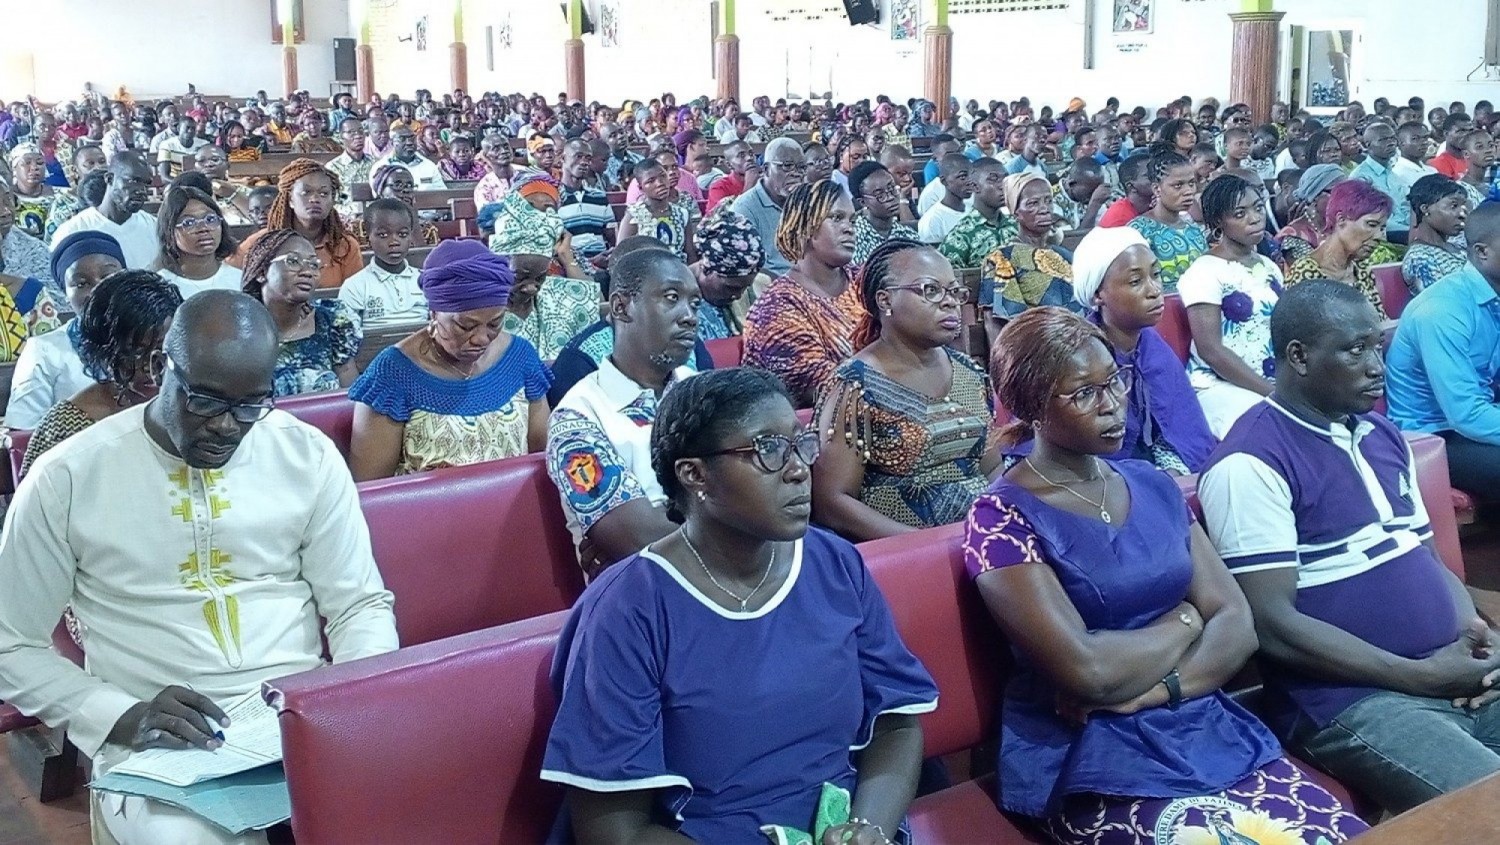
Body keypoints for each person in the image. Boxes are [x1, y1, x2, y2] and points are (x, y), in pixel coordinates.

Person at [0, 289, 398, 845]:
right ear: (164, 367)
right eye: (206, 402)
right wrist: (119, 714)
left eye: (251, 406)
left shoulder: (305, 455)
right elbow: (10, 644)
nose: (228, 427)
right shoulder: (69, 475)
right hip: (156, 740)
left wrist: (356, 701)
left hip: (297, 716)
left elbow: (358, 603)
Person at [972, 304, 1367, 845]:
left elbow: (1237, 623)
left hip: (1201, 722)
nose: (1114, 406)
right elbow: (1086, 674)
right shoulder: (1000, 516)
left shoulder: (1152, 482)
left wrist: (1154, 693)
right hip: (1090, 753)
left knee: (1331, 835)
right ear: (1033, 407)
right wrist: (1185, 621)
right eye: (1084, 393)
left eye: (1114, 382)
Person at [543, 365, 937, 842]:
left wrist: (869, 826)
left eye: (799, 443)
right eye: (768, 449)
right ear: (695, 475)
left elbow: (894, 719)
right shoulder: (628, 610)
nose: (798, 469)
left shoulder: (833, 562)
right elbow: (616, 833)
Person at [1201, 279, 1500, 816]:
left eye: (1376, 346)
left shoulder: (1380, 435)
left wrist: (1477, 643)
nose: (1375, 366)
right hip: (1353, 702)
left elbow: (1427, 559)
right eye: (1354, 349)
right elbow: (1271, 625)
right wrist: (1419, 677)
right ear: (1299, 357)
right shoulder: (1250, 462)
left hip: (1447, 671)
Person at [812, 238, 996, 540]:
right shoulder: (855, 385)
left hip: (982, 543)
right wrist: (927, 546)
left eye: (954, 291)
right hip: (905, 557)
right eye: (931, 290)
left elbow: (992, 469)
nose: (949, 302)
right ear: (885, 301)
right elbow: (833, 503)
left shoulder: (970, 373)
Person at [546, 248, 710, 576]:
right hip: (646, 598)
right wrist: (744, 534)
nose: (689, 316)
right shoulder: (579, 417)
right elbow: (643, 541)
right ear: (621, 307)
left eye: (694, 303)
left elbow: (765, 494)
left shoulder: (704, 391)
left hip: (734, 582)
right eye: (671, 297)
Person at [349, 240, 551, 480]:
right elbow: (370, 490)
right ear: (434, 313)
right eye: (466, 325)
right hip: (424, 513)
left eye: (495, 323)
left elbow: (542, 458)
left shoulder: (520, 358)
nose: (481, 339)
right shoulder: (393, 373)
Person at [1071, 225, 1217, 474]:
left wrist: (1172, 473)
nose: (1154, 290)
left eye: (1156, 275)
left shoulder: (1153, 348)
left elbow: (1181, 430)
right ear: (1098, 294)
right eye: (1136, 281)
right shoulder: (1078, 356)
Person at [20, 270, 182, 475]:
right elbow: (38, 501)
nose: (148, 366)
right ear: (102, 350)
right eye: (133, 351)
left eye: (161, 351)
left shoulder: (195, 409)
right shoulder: (67, 426)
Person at [1387, 202, 1500, 496]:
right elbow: (1465, 413)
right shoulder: (1442, 310)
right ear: (1481, 252)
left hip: (1479, 416)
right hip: (1433, 433)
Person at [1176, 175, 1281, 437]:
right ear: (1219, 222)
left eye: (1258, 208)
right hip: (1218, 384)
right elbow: (1211, 350)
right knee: (1271, 425)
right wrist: (1272, 393)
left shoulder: (1268, 267)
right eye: (1240, 213)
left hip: (1270, 379)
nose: (1255, 218)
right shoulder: (1204, 272)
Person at [744, 180, 861, 408]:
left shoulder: (864, 281)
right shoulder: (776, 307)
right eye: (836, 218)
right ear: (806, 226)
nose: (849, 228)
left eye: (852, 220)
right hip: (812, 431)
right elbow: (821, 386)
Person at [6, 232, 124, 429]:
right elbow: (22, 432)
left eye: (107, 276)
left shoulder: (152, 339)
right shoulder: (44, 350)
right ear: (65, 294)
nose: (98, 289)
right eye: (81, 284)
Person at [240, 228, 361, 396]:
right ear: (262, 272)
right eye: (293, 261)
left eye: (313, 264)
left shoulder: (331, 322)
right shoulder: (238, 330)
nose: (307, 272)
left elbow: (350, 397)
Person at [489, 187, 600, 360]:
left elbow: (598, 302)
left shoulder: (557, 294)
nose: (532, 288)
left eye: (540, 277)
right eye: (520, 277)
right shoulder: (478, 306)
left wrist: (566, 255)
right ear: (497, 266)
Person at [233, 159, 363, 289]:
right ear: (290, 199)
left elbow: (354, 295)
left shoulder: (346, 246)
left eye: (324, 194)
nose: (315, 199)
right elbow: (228, 275)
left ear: (332, 201)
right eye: (306, 193)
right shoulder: (262, 242)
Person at [985, 173, 1078, 327]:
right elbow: (1001, 322)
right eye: (1033, 203)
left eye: (1048, 201)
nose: (1044, 209)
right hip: (1040, 342)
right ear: (1016, 213)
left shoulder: (1063, 255)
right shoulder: (1003, 259)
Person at [1285, 179, 1391, 313]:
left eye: (1382, 228)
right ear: (1341, 220)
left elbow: (1379, 322)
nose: (1379, 237)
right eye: (1371, 225)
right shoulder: (1306, 274)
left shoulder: (1361, 271)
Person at [48, 151, 158, 270]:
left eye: (146, 185)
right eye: (133, 181)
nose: (141, 191)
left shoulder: (153, 226)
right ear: (110, 179)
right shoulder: (74, 230)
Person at [339, 199, 427, 330]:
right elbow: (347, 337)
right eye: (383, 235)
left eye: (402, 234)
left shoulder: (425, 280)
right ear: (368, 236)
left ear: (410, 236)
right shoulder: (355, 286)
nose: (394, 242)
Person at [1127, 150, 1207, 293]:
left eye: (1191, 183)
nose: (1188, 191)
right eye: (1178, 185)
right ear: (1157, 189)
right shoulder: (1139, 230)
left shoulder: (1193, 229)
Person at [689, 206, 767, 339]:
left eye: (744, 288)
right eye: (730, 288)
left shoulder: (757, 290)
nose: (737, 296)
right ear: (706, 267)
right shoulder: (676, 304)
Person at [152, 185, 242, 298]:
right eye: (189, 223)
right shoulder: (159, 288)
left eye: (210, 219)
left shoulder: (240, 280)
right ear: (169, 233)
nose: (204, 228)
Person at [732, 137, 804, 276]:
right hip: (770, 286)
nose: (796, 173)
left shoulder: (805, 201)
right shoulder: (744, 208)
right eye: (787, 166)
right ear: (766, 169)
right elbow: (746, 267)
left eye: (801, 167)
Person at [936, 156, 1013, 268]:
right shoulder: (961, 236)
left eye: (1005, 179)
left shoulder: (1017, 225)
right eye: (993, 179)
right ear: (975, 186)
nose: (1003, 186)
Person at [618, 157, 698, 263]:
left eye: (663, 176)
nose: (660, 183)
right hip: (647, 273)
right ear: (641, 188)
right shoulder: (634, 216)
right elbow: (620, 255)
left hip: (680, 271)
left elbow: (690, 253)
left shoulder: (682, 214)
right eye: (651, 181)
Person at [1402, 175, 1470, 296]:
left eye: (1463, 205)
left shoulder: (1460, 249)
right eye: (1453, 206)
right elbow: (1443, 301)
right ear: (1425, 209)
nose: (1462, 214)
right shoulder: (1419, 257)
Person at [555, 138, 614, 264]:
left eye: (588, 158)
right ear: (563, 158)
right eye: (578, 156)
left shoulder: (599, 197)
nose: (583, 162)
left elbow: (612, 236)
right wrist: (590, 262)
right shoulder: (553, 197)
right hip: (570, 266)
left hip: (603, 262)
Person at [350, 164, 440, 246]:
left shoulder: (426, 228)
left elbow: (427, 259)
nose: (405, 190)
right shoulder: (360, 226)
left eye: (409, 186)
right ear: (381, 191)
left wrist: (415, 223)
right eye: (398, 185)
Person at [1350, 121, 1413, 236]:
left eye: (1393, 138)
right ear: (1367, 145)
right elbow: (1366, 218)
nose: (1391, 143)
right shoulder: (1361, 177)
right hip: (1382, 234)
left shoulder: (1393, 175)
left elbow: (1406, 207)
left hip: (1405, 230)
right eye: (1383, 140)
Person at [850, 160, 918, 266]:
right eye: (880, 195)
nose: (891, 197)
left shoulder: (909, 236)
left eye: (892, 189)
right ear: (863, 202)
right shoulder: (853, 240)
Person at [917, 153, 973, 246]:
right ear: (944, 181)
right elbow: (934, 258)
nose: (970, 182)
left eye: (972, 176)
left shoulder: (973, 208)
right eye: (963, 177)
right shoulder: (932, 221)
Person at [325, 116, 373, 223]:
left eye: (361, 131)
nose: (358, 136)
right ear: (342, 137)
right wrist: (352, 214)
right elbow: (331, 202)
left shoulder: (376, 164)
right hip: (347, 219)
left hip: (375, 217)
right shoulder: (333, 168)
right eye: (351, 132)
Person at [374, 126, 447, 191]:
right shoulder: (382, 166)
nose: (409, 143)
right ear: (392, 142)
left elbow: (441, 195)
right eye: (402, 139)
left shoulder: (429, 166)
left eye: (412, 138)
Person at [8, 144, 56, 238]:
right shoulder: (6, 199)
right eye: (27, 162)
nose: (34, 167)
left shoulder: (59, 196)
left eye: (39, 163)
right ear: (13, 167)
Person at [1051, 158, 1110, 232]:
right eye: (1090, 193)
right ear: (1071, 184)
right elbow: (1071, 241)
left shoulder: (1093, 194)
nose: (1094, 195)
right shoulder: (1052, 201)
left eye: (1097, 191)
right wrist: (1093, 207)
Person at [1096, 154, 1152, 229]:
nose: (1157, 178)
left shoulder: (1153, 205)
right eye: (1149, 175)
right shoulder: (1120, 219)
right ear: (1131, 186)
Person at [705, 141, 758, 211]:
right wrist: (749, 186)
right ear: (729, 165)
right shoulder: (719, 187)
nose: (749, 158)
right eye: (742, 155)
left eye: (751, 153)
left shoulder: (765, 181)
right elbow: (725, 216)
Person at [473, 132, 517, 209]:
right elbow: (487, 217)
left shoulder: (525, 175)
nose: (504, 151)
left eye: (506, 147)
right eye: (496, 149)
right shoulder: (485, 187)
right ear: (487, 156)